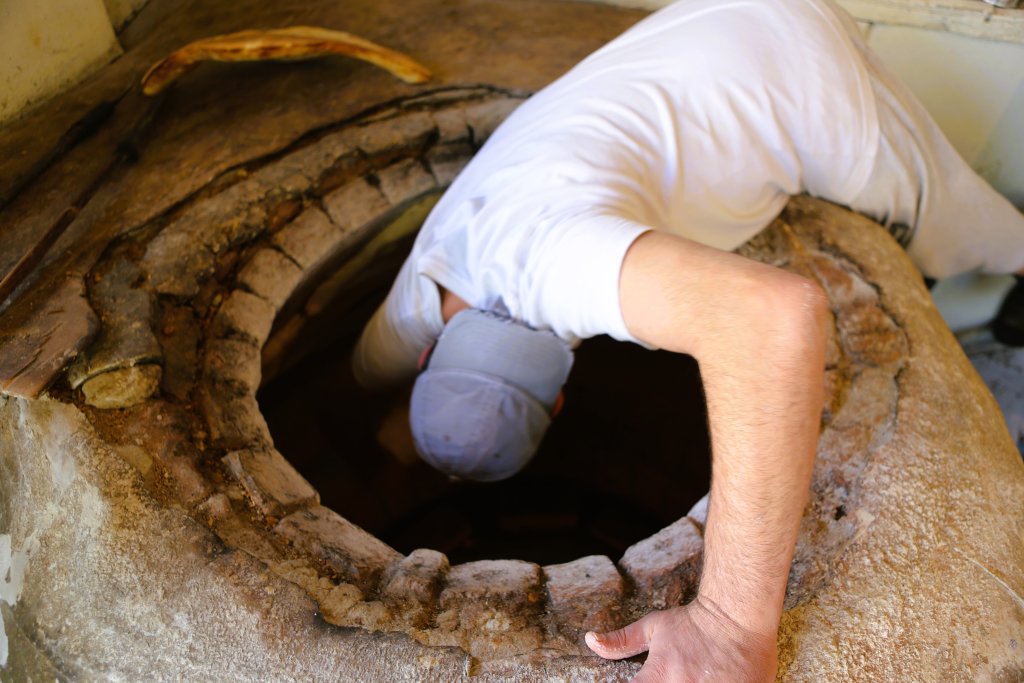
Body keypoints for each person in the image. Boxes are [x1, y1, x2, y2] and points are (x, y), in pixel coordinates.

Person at [350, 0, 1024, 679]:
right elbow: (370, 380)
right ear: (427, 356)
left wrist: (730, 626)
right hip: (703, 28)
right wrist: (399, 443)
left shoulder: (564, 267)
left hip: (799, 74)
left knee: (958, 230)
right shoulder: (408, 311)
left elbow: (778, 316)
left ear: (561, 406)